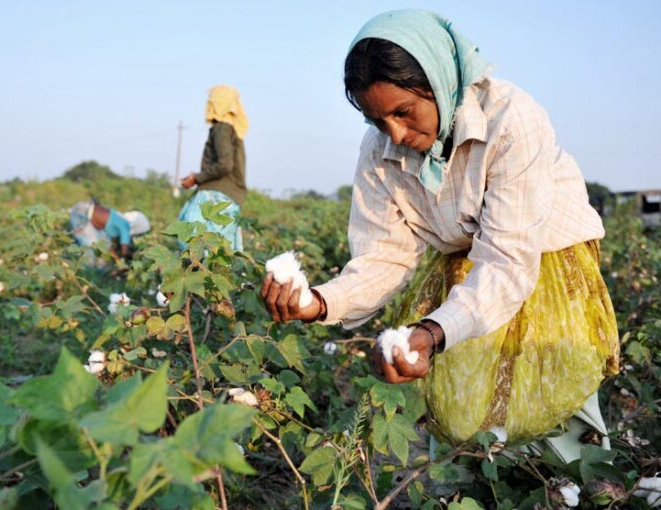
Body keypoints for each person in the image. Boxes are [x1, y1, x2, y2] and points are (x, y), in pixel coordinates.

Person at [261, 10, 620, 464]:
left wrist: (431, 332)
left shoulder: (511, 120)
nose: (395, 133)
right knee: (463, 405)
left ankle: (571, 486)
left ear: (437, 82)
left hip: (541, 259)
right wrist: (315, 302)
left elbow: (509, 263)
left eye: (403, 112)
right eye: (377, 120)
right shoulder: (380, 151)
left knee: (552, 397)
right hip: (465, 263)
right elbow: (383, 256)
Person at [178, 85, 248, 251]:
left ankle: (197, 273)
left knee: (186, 233)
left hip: (216, 194)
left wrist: (197, 178)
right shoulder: (235, 131)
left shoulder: (222, 129)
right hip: (232, 196)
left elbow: (224, 165)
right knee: (223, 249)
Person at [69, 200, 150, 260]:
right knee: (90, 254)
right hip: (83, 213)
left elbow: (106, 244)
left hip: (83, 209)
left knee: (90, 245)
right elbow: (124, 251)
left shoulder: (116, 221)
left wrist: (117, 259)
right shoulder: (125, 226)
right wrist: (132, 256)